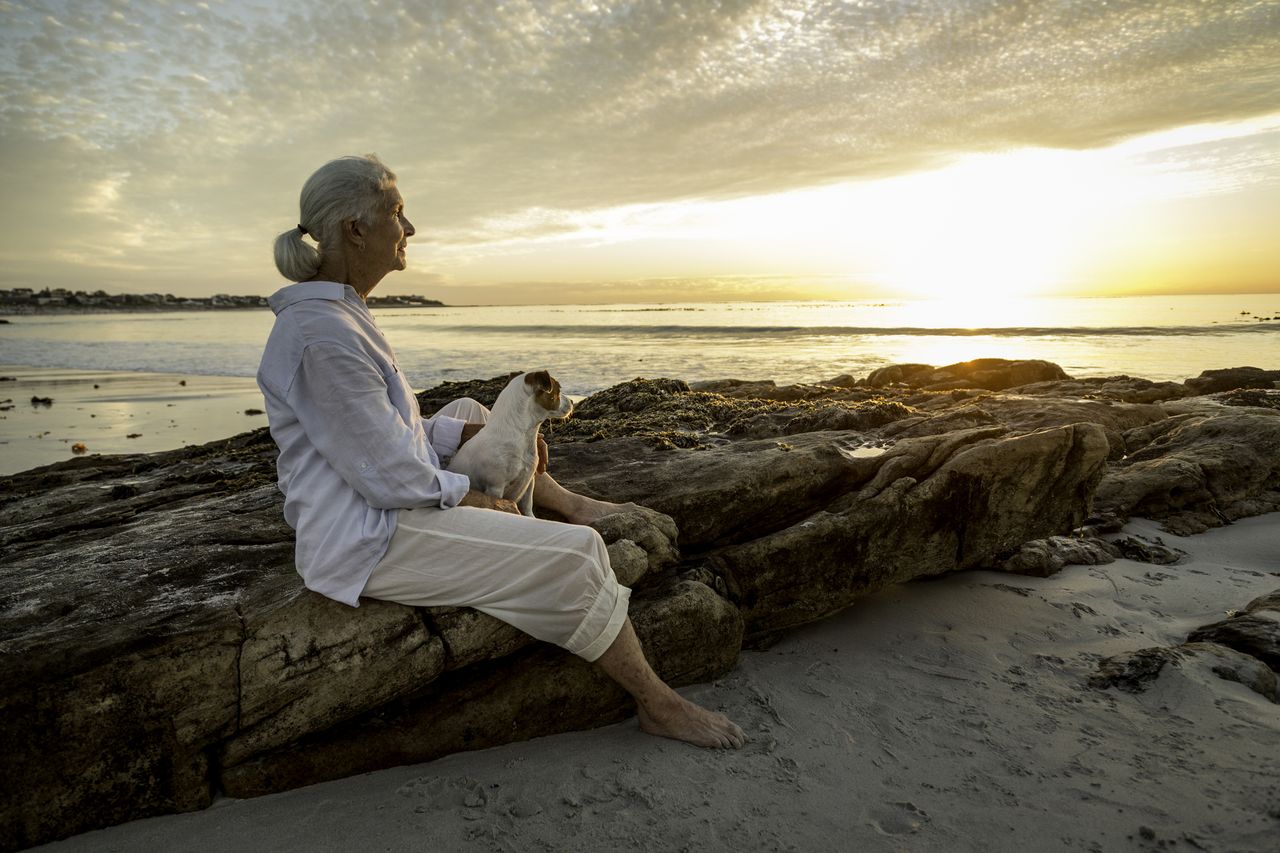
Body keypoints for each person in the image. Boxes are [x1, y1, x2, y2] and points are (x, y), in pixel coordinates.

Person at [258, 154, 745, 749]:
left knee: (471, 413)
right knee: (578, 554)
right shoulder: (321, 336)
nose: (409, 230)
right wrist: (479, 501)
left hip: (379, 495)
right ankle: (657, 703)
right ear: (354, 230)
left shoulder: (340, 315)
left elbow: (383, 432)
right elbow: (385, 475)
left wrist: (454, 439)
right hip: (366, 536)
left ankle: (565, 499)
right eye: (397, 213)